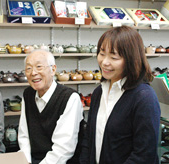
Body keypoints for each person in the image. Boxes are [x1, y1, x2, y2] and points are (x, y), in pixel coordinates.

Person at [80, 26, 161, 164]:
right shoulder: (100, 91)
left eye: (114, 57)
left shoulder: (144, 98)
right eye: (101, 53)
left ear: (131, 59)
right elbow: (89, 138)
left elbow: (143, 155)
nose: (104, 62)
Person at [18, 49, 84, 164]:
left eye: (39, 67)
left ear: (53, 70)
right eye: (28, 68)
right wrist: (26, 161)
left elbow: (64, 148)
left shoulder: (70, 97)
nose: (33, 73)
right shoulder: (28, 94)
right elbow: (24, 135)